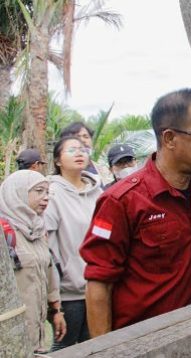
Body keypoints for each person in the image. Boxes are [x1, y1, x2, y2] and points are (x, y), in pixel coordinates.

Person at [80, 88, 191, 337]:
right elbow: (99, 283)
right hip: (140, 343)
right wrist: (105, 351)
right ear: (170, 138)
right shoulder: (122, 201)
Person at [45, 136, 102, 350]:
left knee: (96, 344)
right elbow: (49, 245)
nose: (79, 153)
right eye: (71, 150)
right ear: (58, 160)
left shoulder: (98, 191)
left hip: (98, 285)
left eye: (83, 149)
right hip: (69, 291)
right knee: (65, 347)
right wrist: (56, 288)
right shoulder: (51, 192)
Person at [0, 170, 66, 354]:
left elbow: (48, 271)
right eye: (39, 191)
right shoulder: (4, 232)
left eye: (47, 192)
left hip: (35, 334)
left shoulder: (37, 230)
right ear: (17, 193)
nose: (46, 198)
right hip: (9, 338)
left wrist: (56, 311)